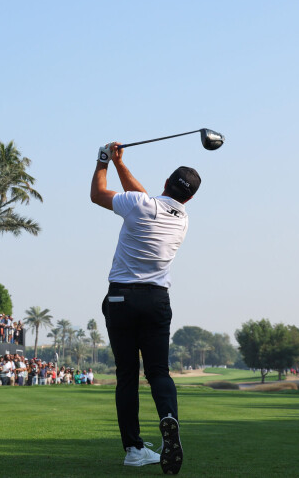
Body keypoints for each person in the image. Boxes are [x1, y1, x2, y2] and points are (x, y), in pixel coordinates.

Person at [90, 141, 198, 473]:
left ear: (165, 182)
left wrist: (104, 160)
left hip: (121, 298)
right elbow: (145, 198)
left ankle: (134, 450)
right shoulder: (183, 220)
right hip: (156, 301)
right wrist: (120, 164)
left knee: (127, 375)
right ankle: (168, 417)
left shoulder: (140, 205)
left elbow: (98, 194)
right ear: (189, 198)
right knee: (158, 372)